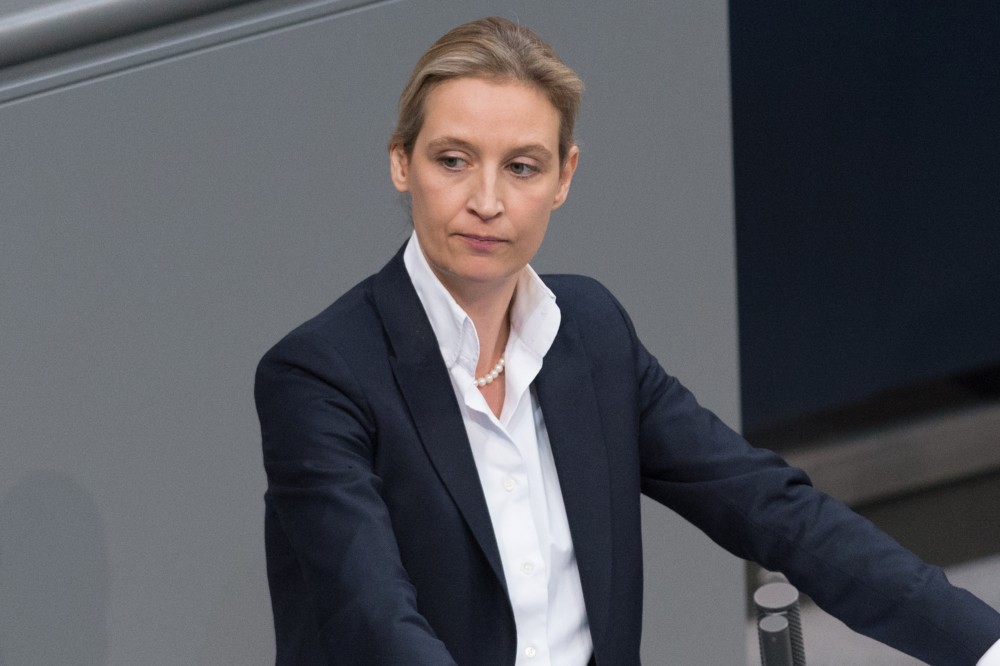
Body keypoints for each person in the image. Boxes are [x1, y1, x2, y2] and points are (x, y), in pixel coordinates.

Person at [255, 16, 1000, 666]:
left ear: (564, 177)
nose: (486, 200)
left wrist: (982, 645)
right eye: (453, 160)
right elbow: (374, 621)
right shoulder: (319, 376)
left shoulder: (590, 332)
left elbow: (769, 506)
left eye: (522, 167)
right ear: (401, 162)